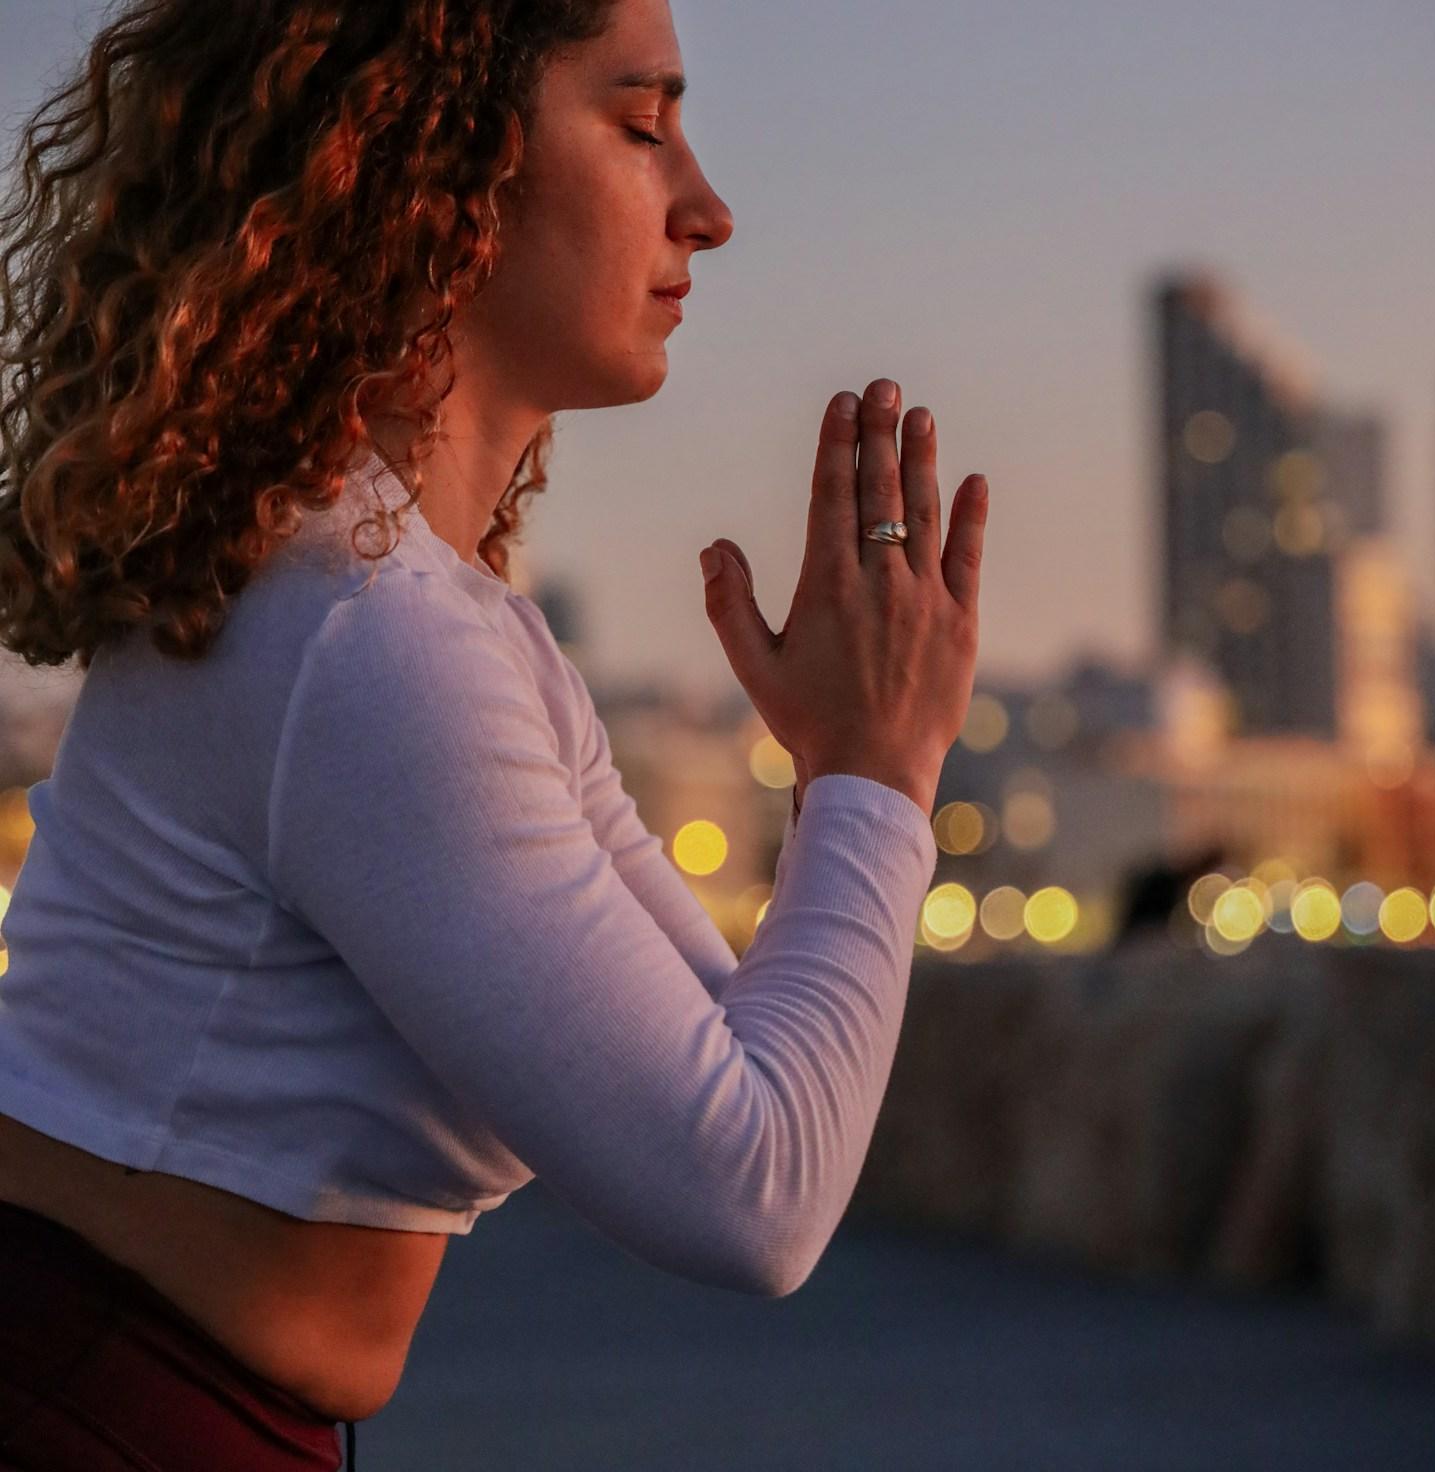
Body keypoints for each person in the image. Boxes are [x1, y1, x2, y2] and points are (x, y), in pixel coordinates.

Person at [0, 0, 990, 1466]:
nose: (707, 209)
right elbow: (752, 1194)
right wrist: (878, 775)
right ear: (435, 158)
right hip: (91, 1401)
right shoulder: (359, 633)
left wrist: (842, 772)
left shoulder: (422, 616)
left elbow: (735, 1063)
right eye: (642, 127)